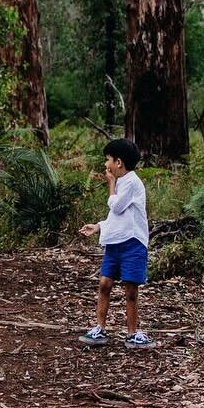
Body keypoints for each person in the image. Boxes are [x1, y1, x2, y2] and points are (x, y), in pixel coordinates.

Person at [78, 138, 153, 349]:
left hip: (133, 244)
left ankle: (132, 333)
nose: (106, 165)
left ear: (118, 162)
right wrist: (99, 226)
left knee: (130, 289)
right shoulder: (123, 182)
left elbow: (117, 206)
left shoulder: (131, 181)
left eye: (108, 159)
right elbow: (118, 216)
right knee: (104, 283)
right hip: (116, 243)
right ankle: (99, 328)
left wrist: (111, 185)